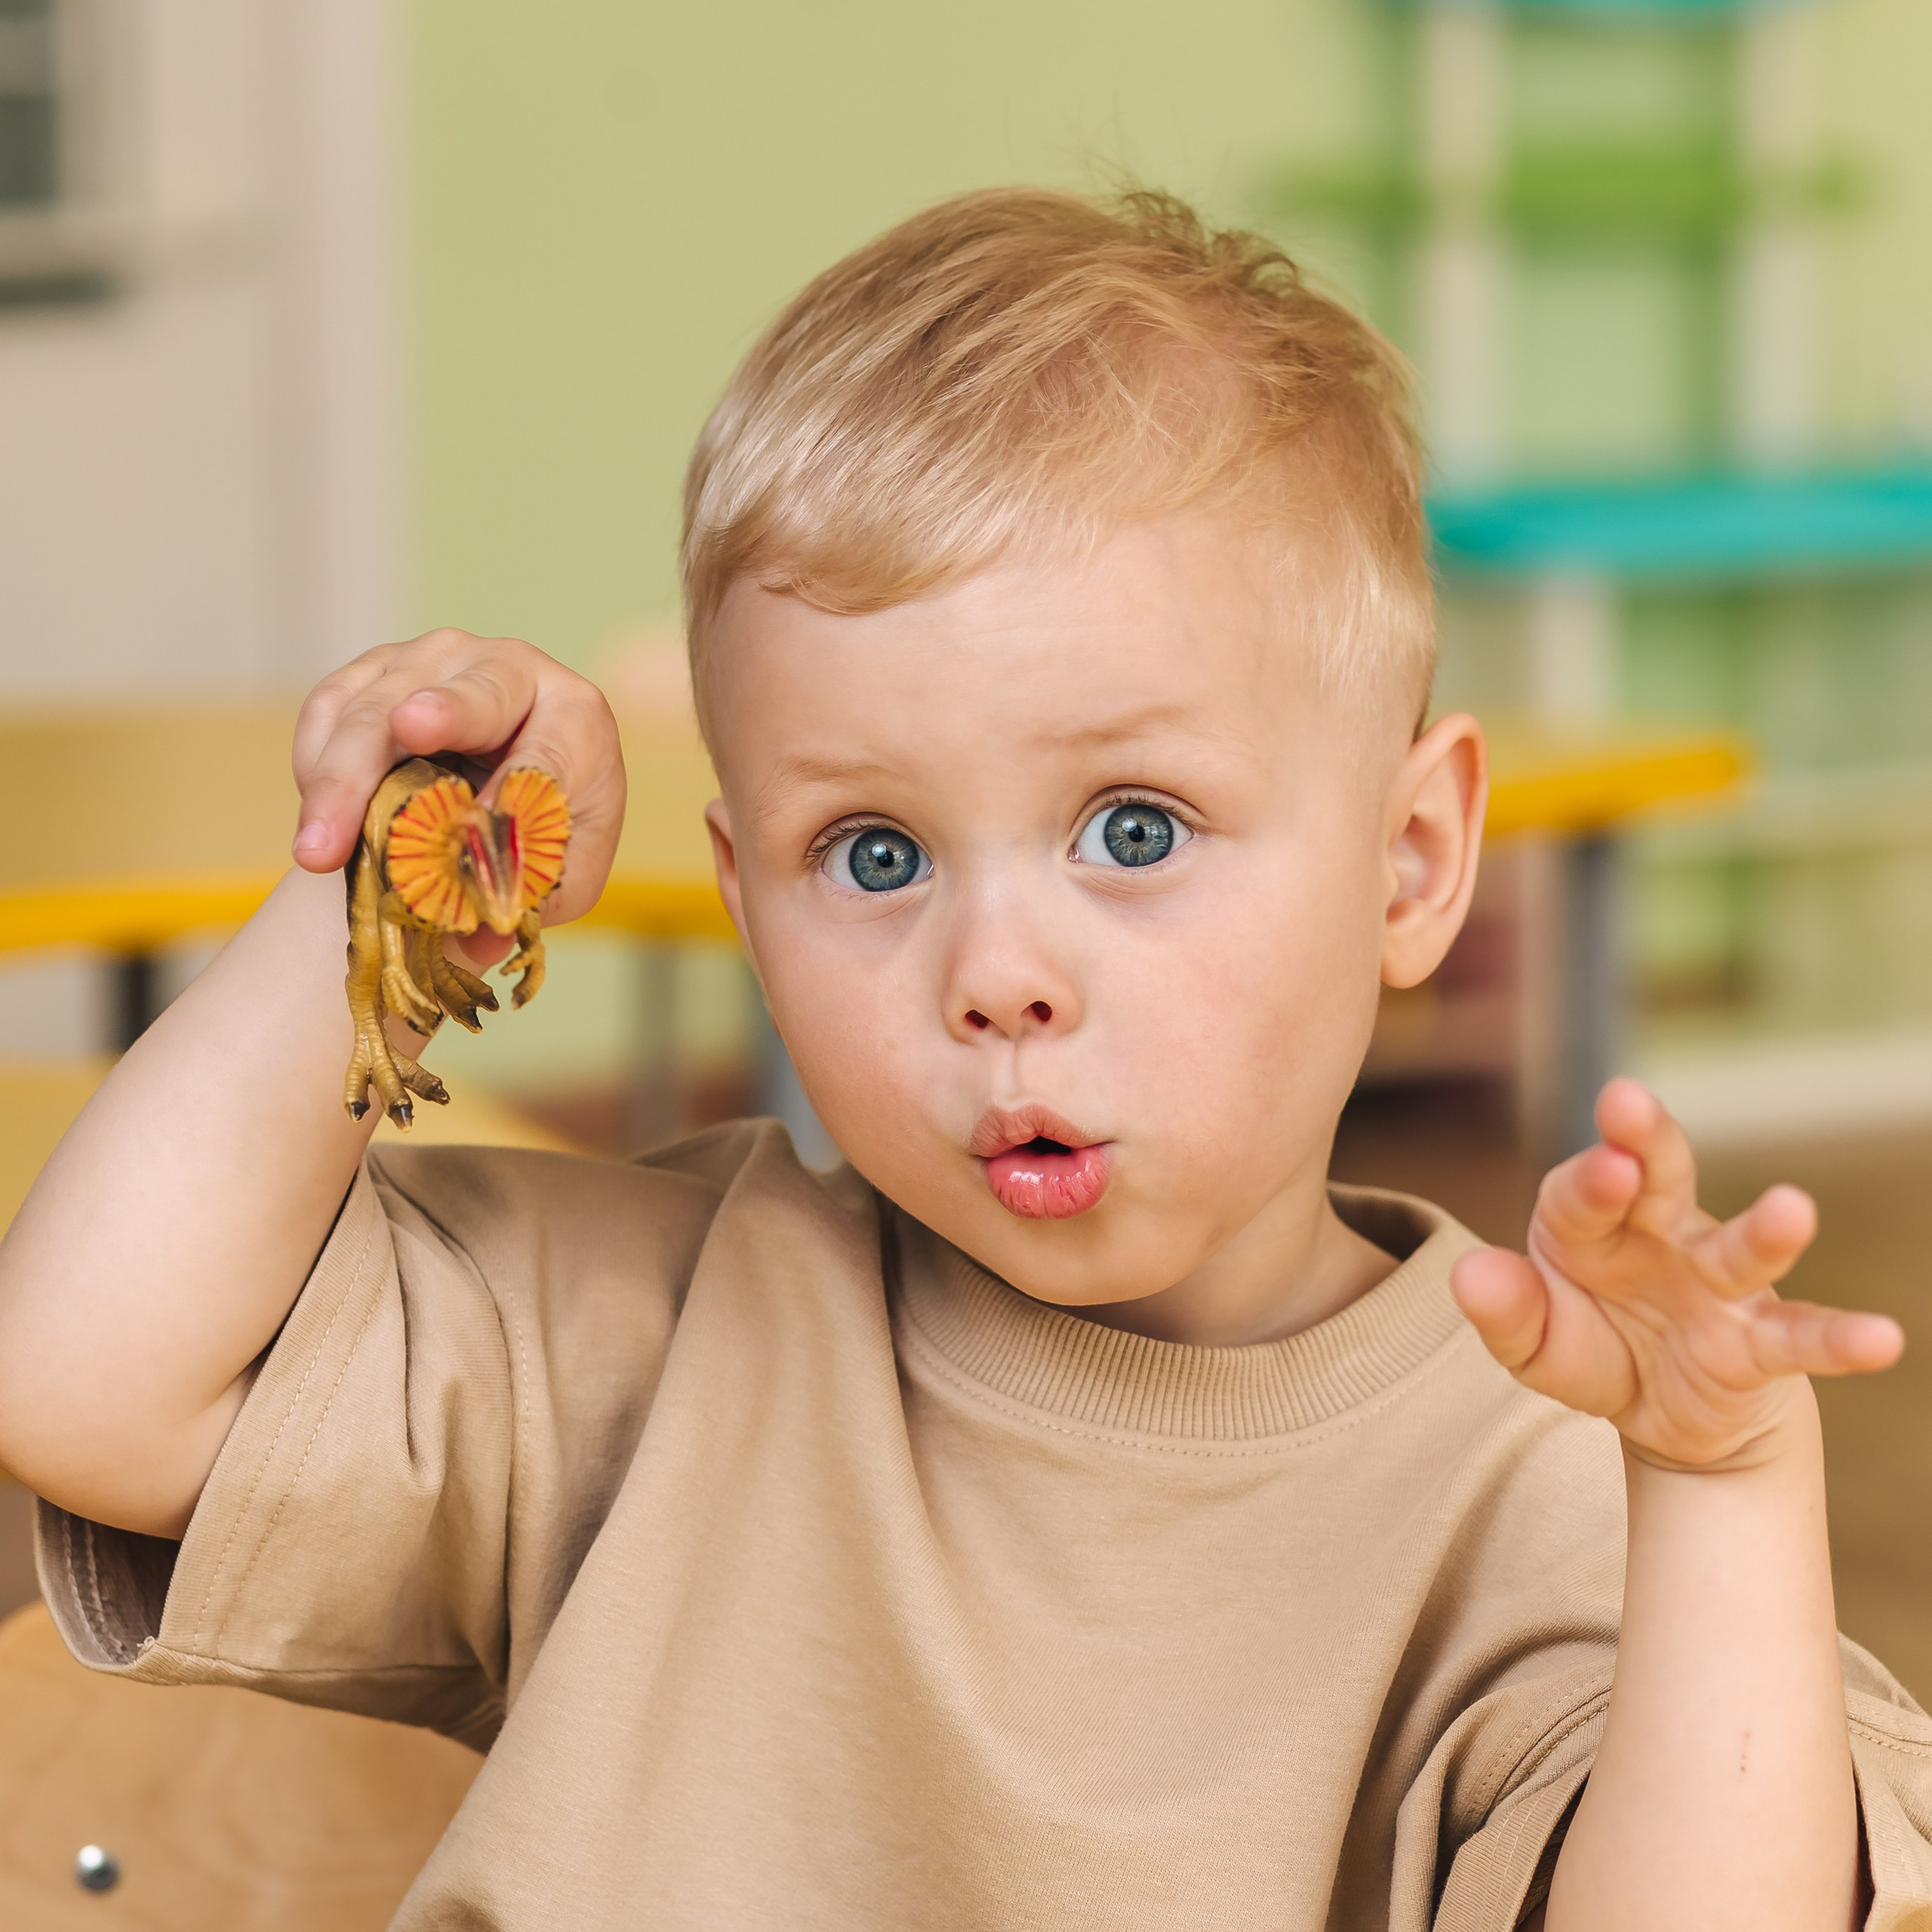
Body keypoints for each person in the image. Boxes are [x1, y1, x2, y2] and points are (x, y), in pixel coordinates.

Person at [1, 189, 1927, 1932]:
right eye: (875, 856)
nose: (993, 975)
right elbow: (88, 1377)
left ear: (1409, 860)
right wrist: (400, 900)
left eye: (1133, 827)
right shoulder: (658, 1326)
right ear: (748, 909)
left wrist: (1721, 1480)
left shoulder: (1546, 1489)